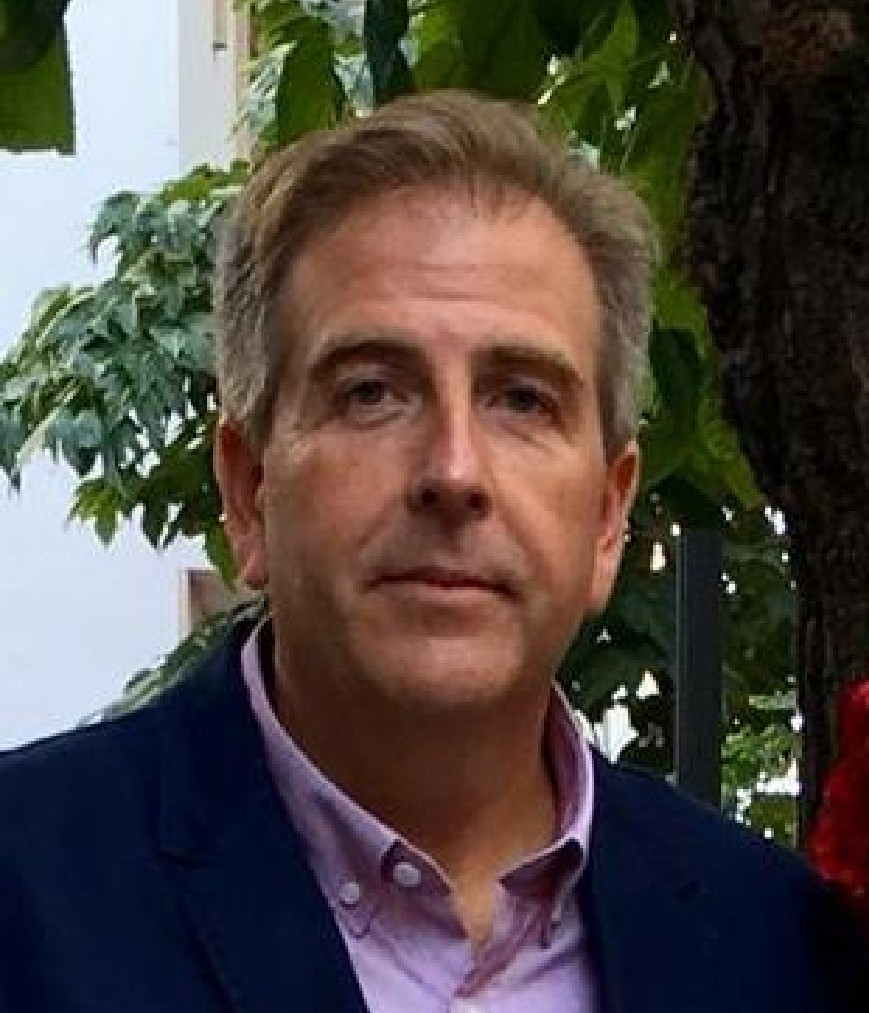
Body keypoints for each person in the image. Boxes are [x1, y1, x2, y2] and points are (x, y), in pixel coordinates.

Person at [0, 91, 864, 1013]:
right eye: (371, 392)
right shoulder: (26, 898)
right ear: (248, 491)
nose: (453, 471)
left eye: (522, 399)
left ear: (608, 518)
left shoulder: (777, 949)